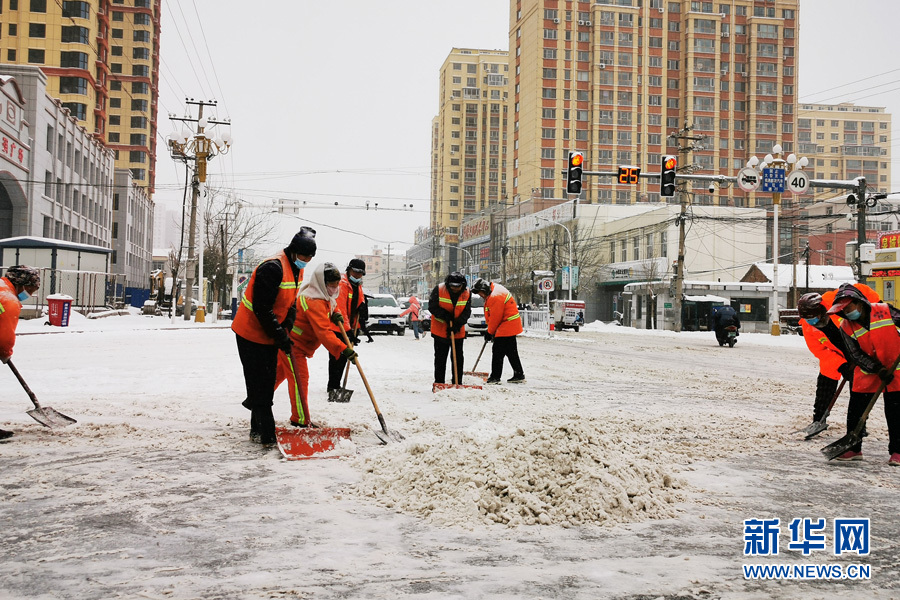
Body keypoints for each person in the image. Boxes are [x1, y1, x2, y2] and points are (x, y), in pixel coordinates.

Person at [231, 227, 316, 445]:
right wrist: (280, 334)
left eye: (310, 258)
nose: (306, 261)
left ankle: (257, 428)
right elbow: (261, 308)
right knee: (259, 382)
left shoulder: (297, 268)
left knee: (266, 383)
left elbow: (291, 299)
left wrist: (288, 322)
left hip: (269, 332)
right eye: (304, 257)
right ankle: (266, 434)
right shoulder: (272, 267)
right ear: (294, 251)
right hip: (250, 332)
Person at [826, 283, 900, 465]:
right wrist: (877, 369)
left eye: (848, 308)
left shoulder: (885, 311)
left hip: (896, 368)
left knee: (896, 411)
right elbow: (855, 354)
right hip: (869, 369)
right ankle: (853, 448)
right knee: (856, 410)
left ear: (859, 303)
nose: (845, 313)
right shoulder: (846, 326)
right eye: (841, 311)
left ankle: (898, 451)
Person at [274, 263, 356, 427]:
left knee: (274, 378)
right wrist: (343, 349)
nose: (334, 289)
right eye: (331, 285)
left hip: (299, 346)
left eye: (335, 285)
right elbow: (324, 332)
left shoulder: (321, 295)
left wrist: (336, 314)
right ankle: (300, 420)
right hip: (292, 346)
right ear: (321, 283)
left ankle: (258, 402)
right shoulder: (313, 300)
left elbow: (331, 305)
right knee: (300, 380)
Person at [797, 286, 880, 426]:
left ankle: (859, 424)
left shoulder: (836, 301)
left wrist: (876, 304)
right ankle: (818, 420)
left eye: (814, 317)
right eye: (808, 319)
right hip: (838, 356)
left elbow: (862, 289)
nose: (813, 322)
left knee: (858, 390)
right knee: (825, 382)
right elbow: (820, 351)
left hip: (859, 350)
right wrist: (841, 365)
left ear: (821, 309)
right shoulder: (808, 327)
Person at [0, 266, 41, 441]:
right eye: (30, 289)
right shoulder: (9, 300)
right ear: (21, 284)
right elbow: (4, 336)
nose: (30, 294)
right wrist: (5, 352)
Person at [327, 258, 367, 402]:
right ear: (349, 269)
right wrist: (348, 330)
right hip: (337, 327)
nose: (357, 275)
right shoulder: (342, 284)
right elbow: (341, 309)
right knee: (337, 356)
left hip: (348, 326)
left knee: (344, 357)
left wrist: (362, 308)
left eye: (360, 273)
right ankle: (333, 386)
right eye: (355, 272)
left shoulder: (357, 285)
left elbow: (357, 305)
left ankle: (336, 385)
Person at [471, 278, 525, 384]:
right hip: (508, 325)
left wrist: (489, 332)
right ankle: (519, 374)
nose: (480, 296)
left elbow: (496, 317)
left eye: (480, 293)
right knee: (511, 352)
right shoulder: (494, 290)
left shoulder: (496, 296)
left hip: (506, 325)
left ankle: (495, 377)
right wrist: (490, 329)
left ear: (484, 289)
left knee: (497, 352)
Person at [428, 271, 471, 385]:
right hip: (440, 330)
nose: (455, 289)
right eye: (452, 286)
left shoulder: (467, 293)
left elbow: (466, 312)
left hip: (457, 331)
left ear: (463, 285)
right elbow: (432, 307)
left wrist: (457, 325)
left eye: (458, 286)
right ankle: (439, 382)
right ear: (448, 284)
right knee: (440, 358)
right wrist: (446, 317)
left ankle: (457, 382)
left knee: (457, 358)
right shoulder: (439, 289)